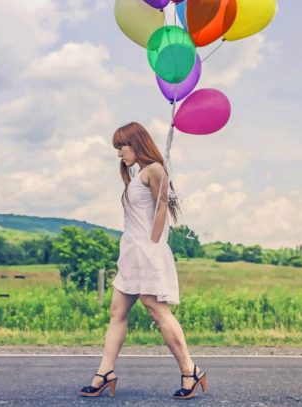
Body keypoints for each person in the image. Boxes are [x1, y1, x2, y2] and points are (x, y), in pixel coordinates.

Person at [79, 122, 208, 400]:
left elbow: (161, 208)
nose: (119, 153)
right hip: (131, 254)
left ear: (136, 143)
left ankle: (190, 369)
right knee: (117, 312)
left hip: (147, 252)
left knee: (156, 309)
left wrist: (152, 245)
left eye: (121, 146)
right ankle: (105, 372)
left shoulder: (155, 170)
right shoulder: (138, 174)